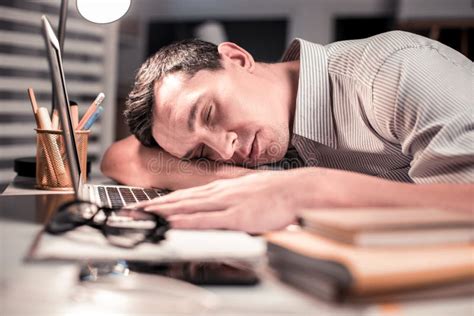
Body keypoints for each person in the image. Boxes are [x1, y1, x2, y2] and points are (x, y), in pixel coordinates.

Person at [101, 31, 473, 233]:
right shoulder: (265, 127)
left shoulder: (395, 72)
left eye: (210, 113)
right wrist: (235, 181)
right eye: (200, 153)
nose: (224, 147)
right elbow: (120, 155)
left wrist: (309, 190)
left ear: (236, 58)